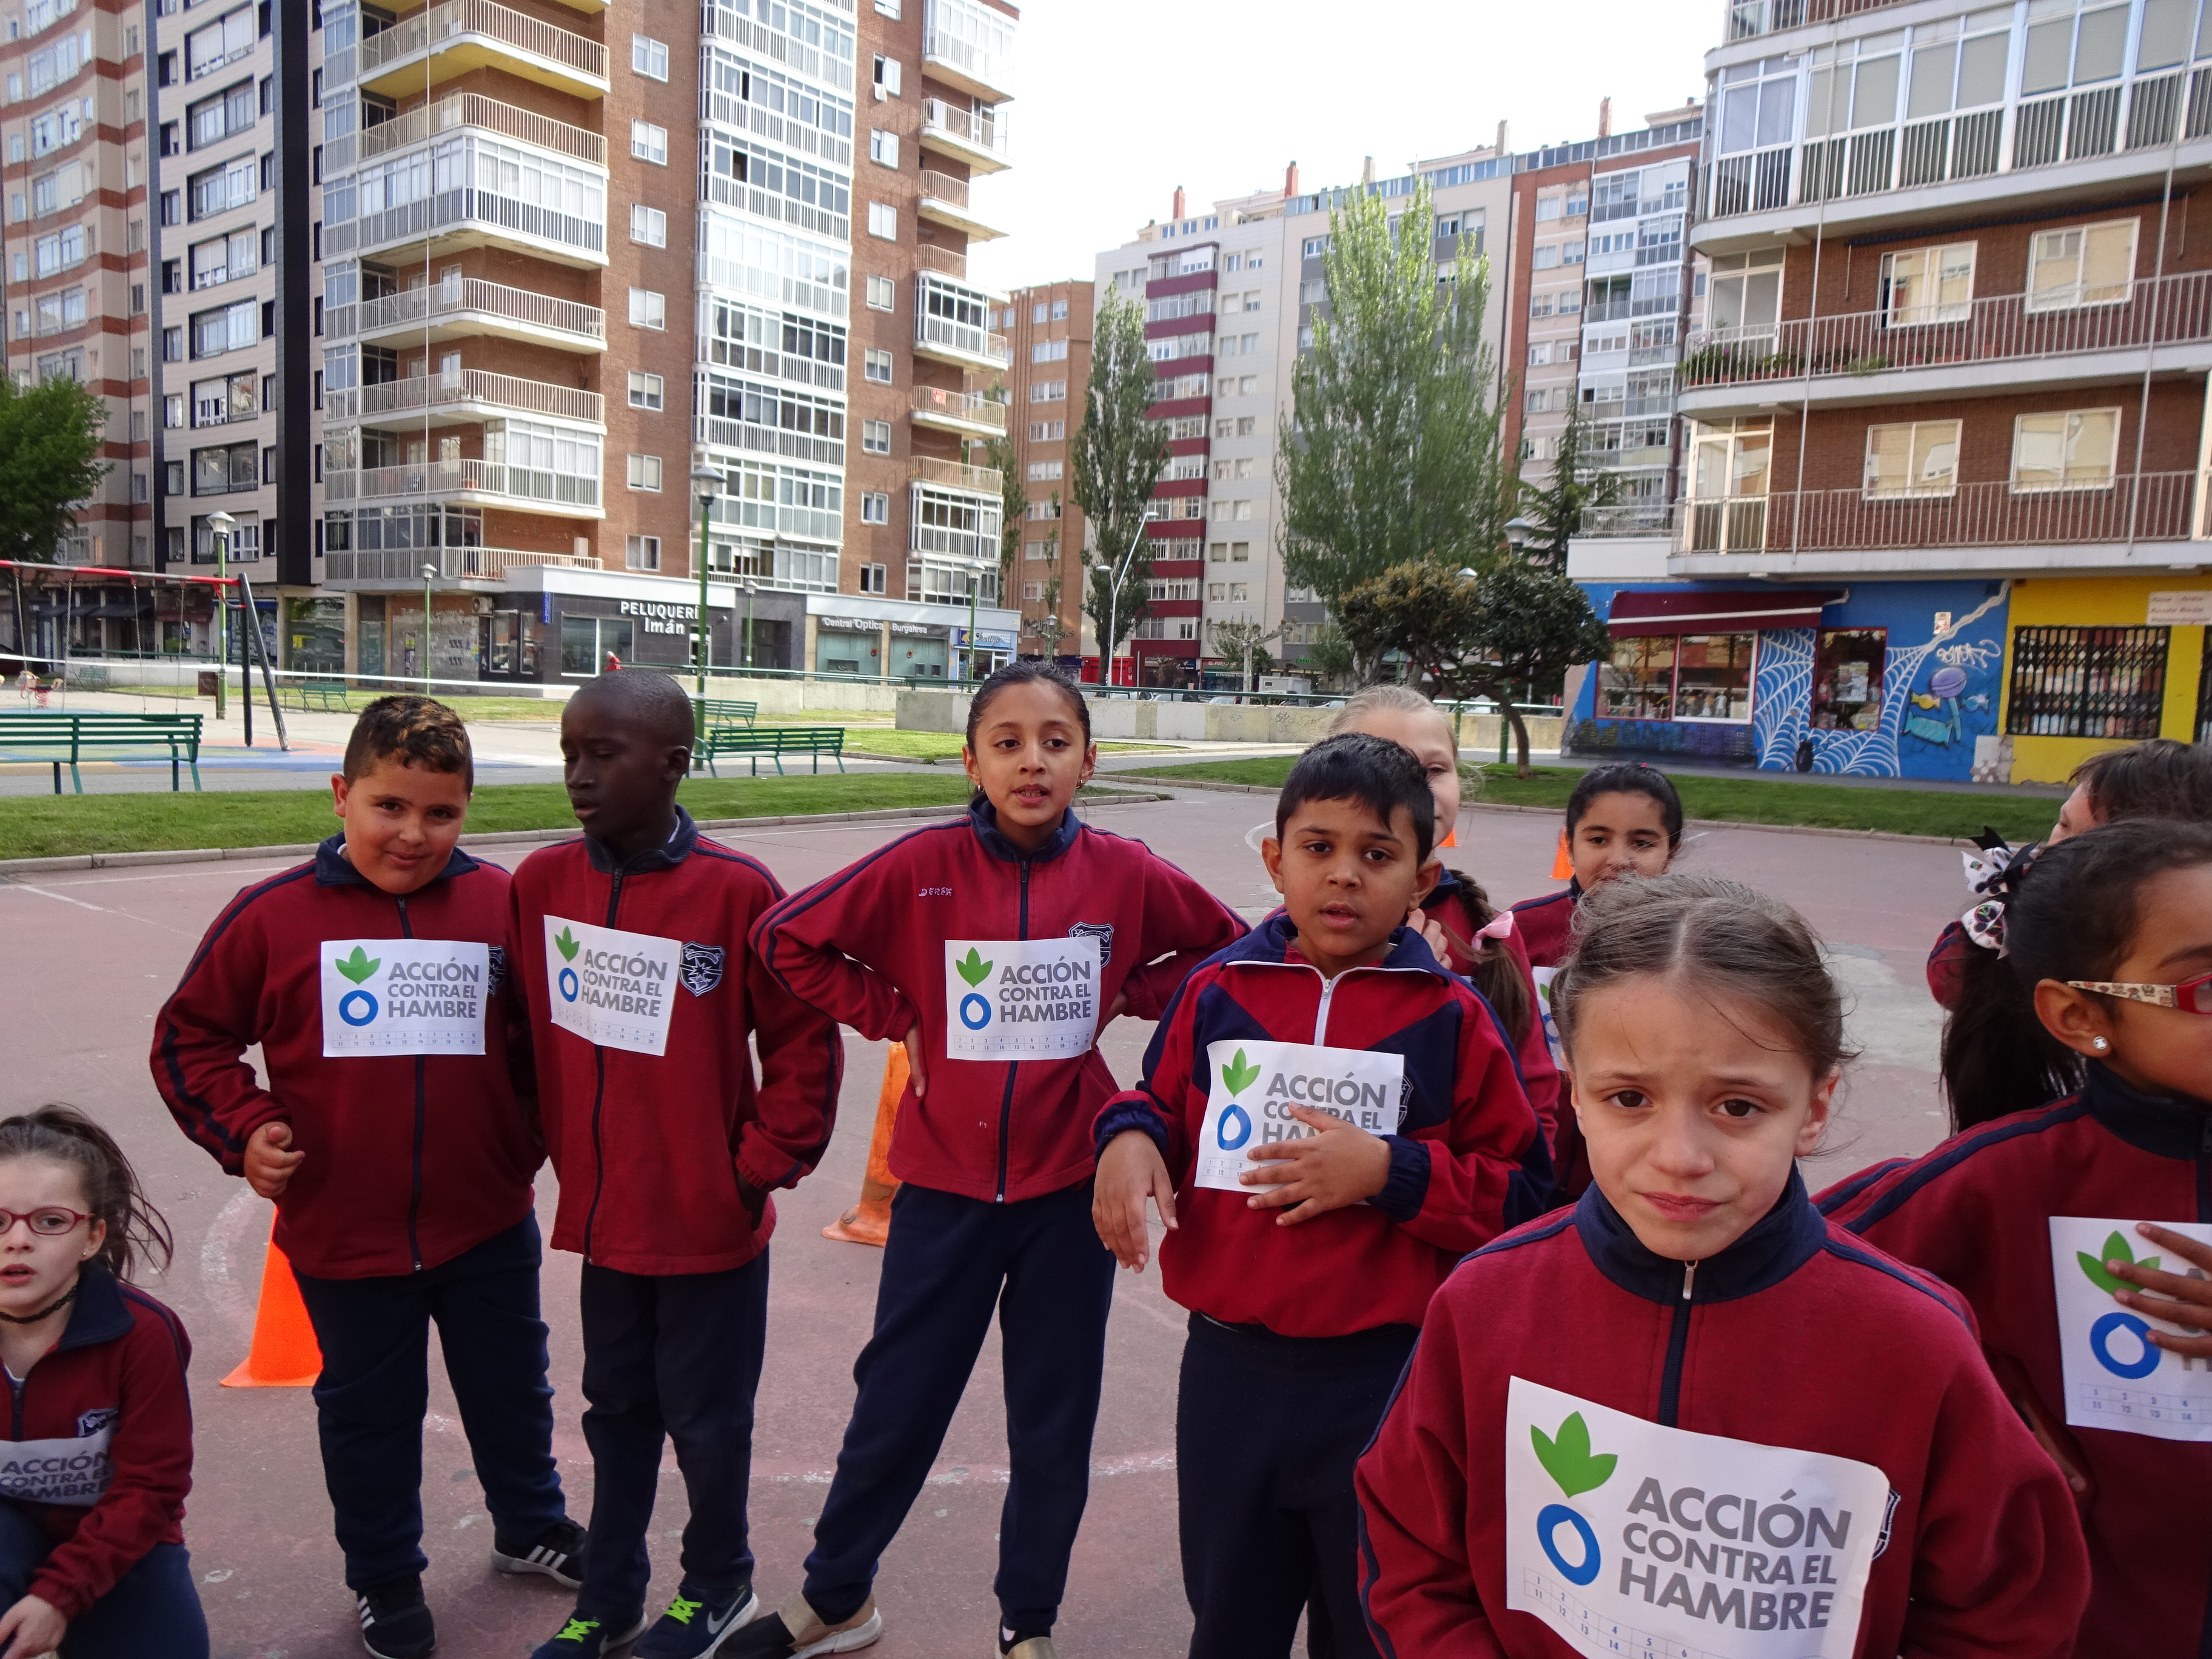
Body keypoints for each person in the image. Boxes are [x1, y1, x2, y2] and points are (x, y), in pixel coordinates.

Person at [1355, 873, 2091, 1657]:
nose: (1680, 1158)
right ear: (1575, 1095)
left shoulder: (1915, 1346)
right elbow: (1414, 1559)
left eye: (1738, 1106)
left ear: (1813, 1108)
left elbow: (2003, 1613)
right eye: (1629, 1099)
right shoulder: (1484, 1305)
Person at [740, 662, 1247, 1659]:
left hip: (1069, 1193)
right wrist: (897, 1014)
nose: (1032, 761)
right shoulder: (919, 865)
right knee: (896, 1401)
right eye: (1007, 743)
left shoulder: (1125, 870)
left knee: (1052, 1420)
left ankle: (1028, 1623)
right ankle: (836, 1596)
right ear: (972, 763)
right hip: (943, 1191)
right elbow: (783, 938)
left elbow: (1224, 951)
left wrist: (1127, 992)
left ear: (1089, 762)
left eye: (1056, 742)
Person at [1092, 733, 1546, 1659]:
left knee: (1369, 1625)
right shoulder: (1217, 991)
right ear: (1276, 861)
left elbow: (1526, 1197)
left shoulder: (1452, 1020)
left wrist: (1391, 1174)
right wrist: (1128, 1137)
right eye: (1319, 848)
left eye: (1377, 855)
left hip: (1382, 1381)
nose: (1344, 875)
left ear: (1422, 880)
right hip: (1229, 1371)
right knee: (1230, 1619)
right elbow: (1157, 1101)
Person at [151, 695, 577, 1659]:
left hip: (486, 1218)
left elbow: (538, 1044)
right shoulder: (272, 915)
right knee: (368, 1415)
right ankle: (385, 1577)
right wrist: (247, 1128)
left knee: (513, 1386)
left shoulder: (502, 906)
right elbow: (190, 1040)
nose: (413, 834)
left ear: (467, 811)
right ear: (342, 794)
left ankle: (530, 1526)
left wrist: (527, 1140)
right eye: (390, 806)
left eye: (441, 813)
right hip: (344, 1235)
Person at [508, 669, 843, 1659]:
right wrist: (547, 1145)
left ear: (672, 764)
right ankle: (608, 1596)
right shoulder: (541, 885)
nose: (578, 775)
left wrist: (753, 1169)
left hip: (708, 1225)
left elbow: (803, 1043)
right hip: (606, 1219)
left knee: (706, 1421)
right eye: (569, 754)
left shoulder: (737, 891)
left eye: (602, 755)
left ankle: (718, 1584)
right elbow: (519, 1032)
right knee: (615, 1413)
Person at [1823, 819, 2212, 1654]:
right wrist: (1981, 1396)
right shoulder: (2000, 1182)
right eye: (2207, 988)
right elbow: (1785, 1284)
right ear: (2079, 1015)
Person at [0, 1107, 204, 1659]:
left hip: (115, 1538)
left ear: (93, 1237)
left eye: (50, 1222)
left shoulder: (143, 1333)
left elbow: (152, 1487)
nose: (17, 1241)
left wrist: (58, 1596)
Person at [1326, 686, 1560, 1147]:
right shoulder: (1298, 928)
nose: (1418, 790)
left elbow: (1532, 1095)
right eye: (1384, 769)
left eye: (1434, 770)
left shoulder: (1490, 932)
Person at [1926, 738, 2212, 1010]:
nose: (2060, 849)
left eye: (2090, 843)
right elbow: (1949, 974)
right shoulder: (2031, 920)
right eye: (2064, 824)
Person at [1509, 761, 1683, 973]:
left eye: (1642, 843)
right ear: (1570, 847)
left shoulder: (1691, 936)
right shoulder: (1521, 928)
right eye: (1598, 840)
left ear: (1670, 855)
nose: (1618, 860)